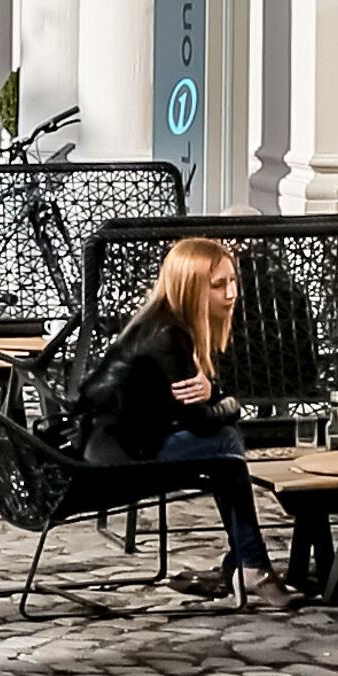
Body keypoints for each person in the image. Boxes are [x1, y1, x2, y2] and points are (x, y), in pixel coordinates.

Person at [78, 235, 270, 595]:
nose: (231, 294)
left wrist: (216, 398)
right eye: (218, 285)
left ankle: (246, 562)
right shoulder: (169, 336)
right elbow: (201, 420)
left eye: (233, 282)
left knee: (224, 456)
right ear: (191, 286)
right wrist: (230, 404)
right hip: (117, 460)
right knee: (226, 446)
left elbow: (196, 406)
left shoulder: (163, 321)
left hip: (120, 444)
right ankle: (251, 564)